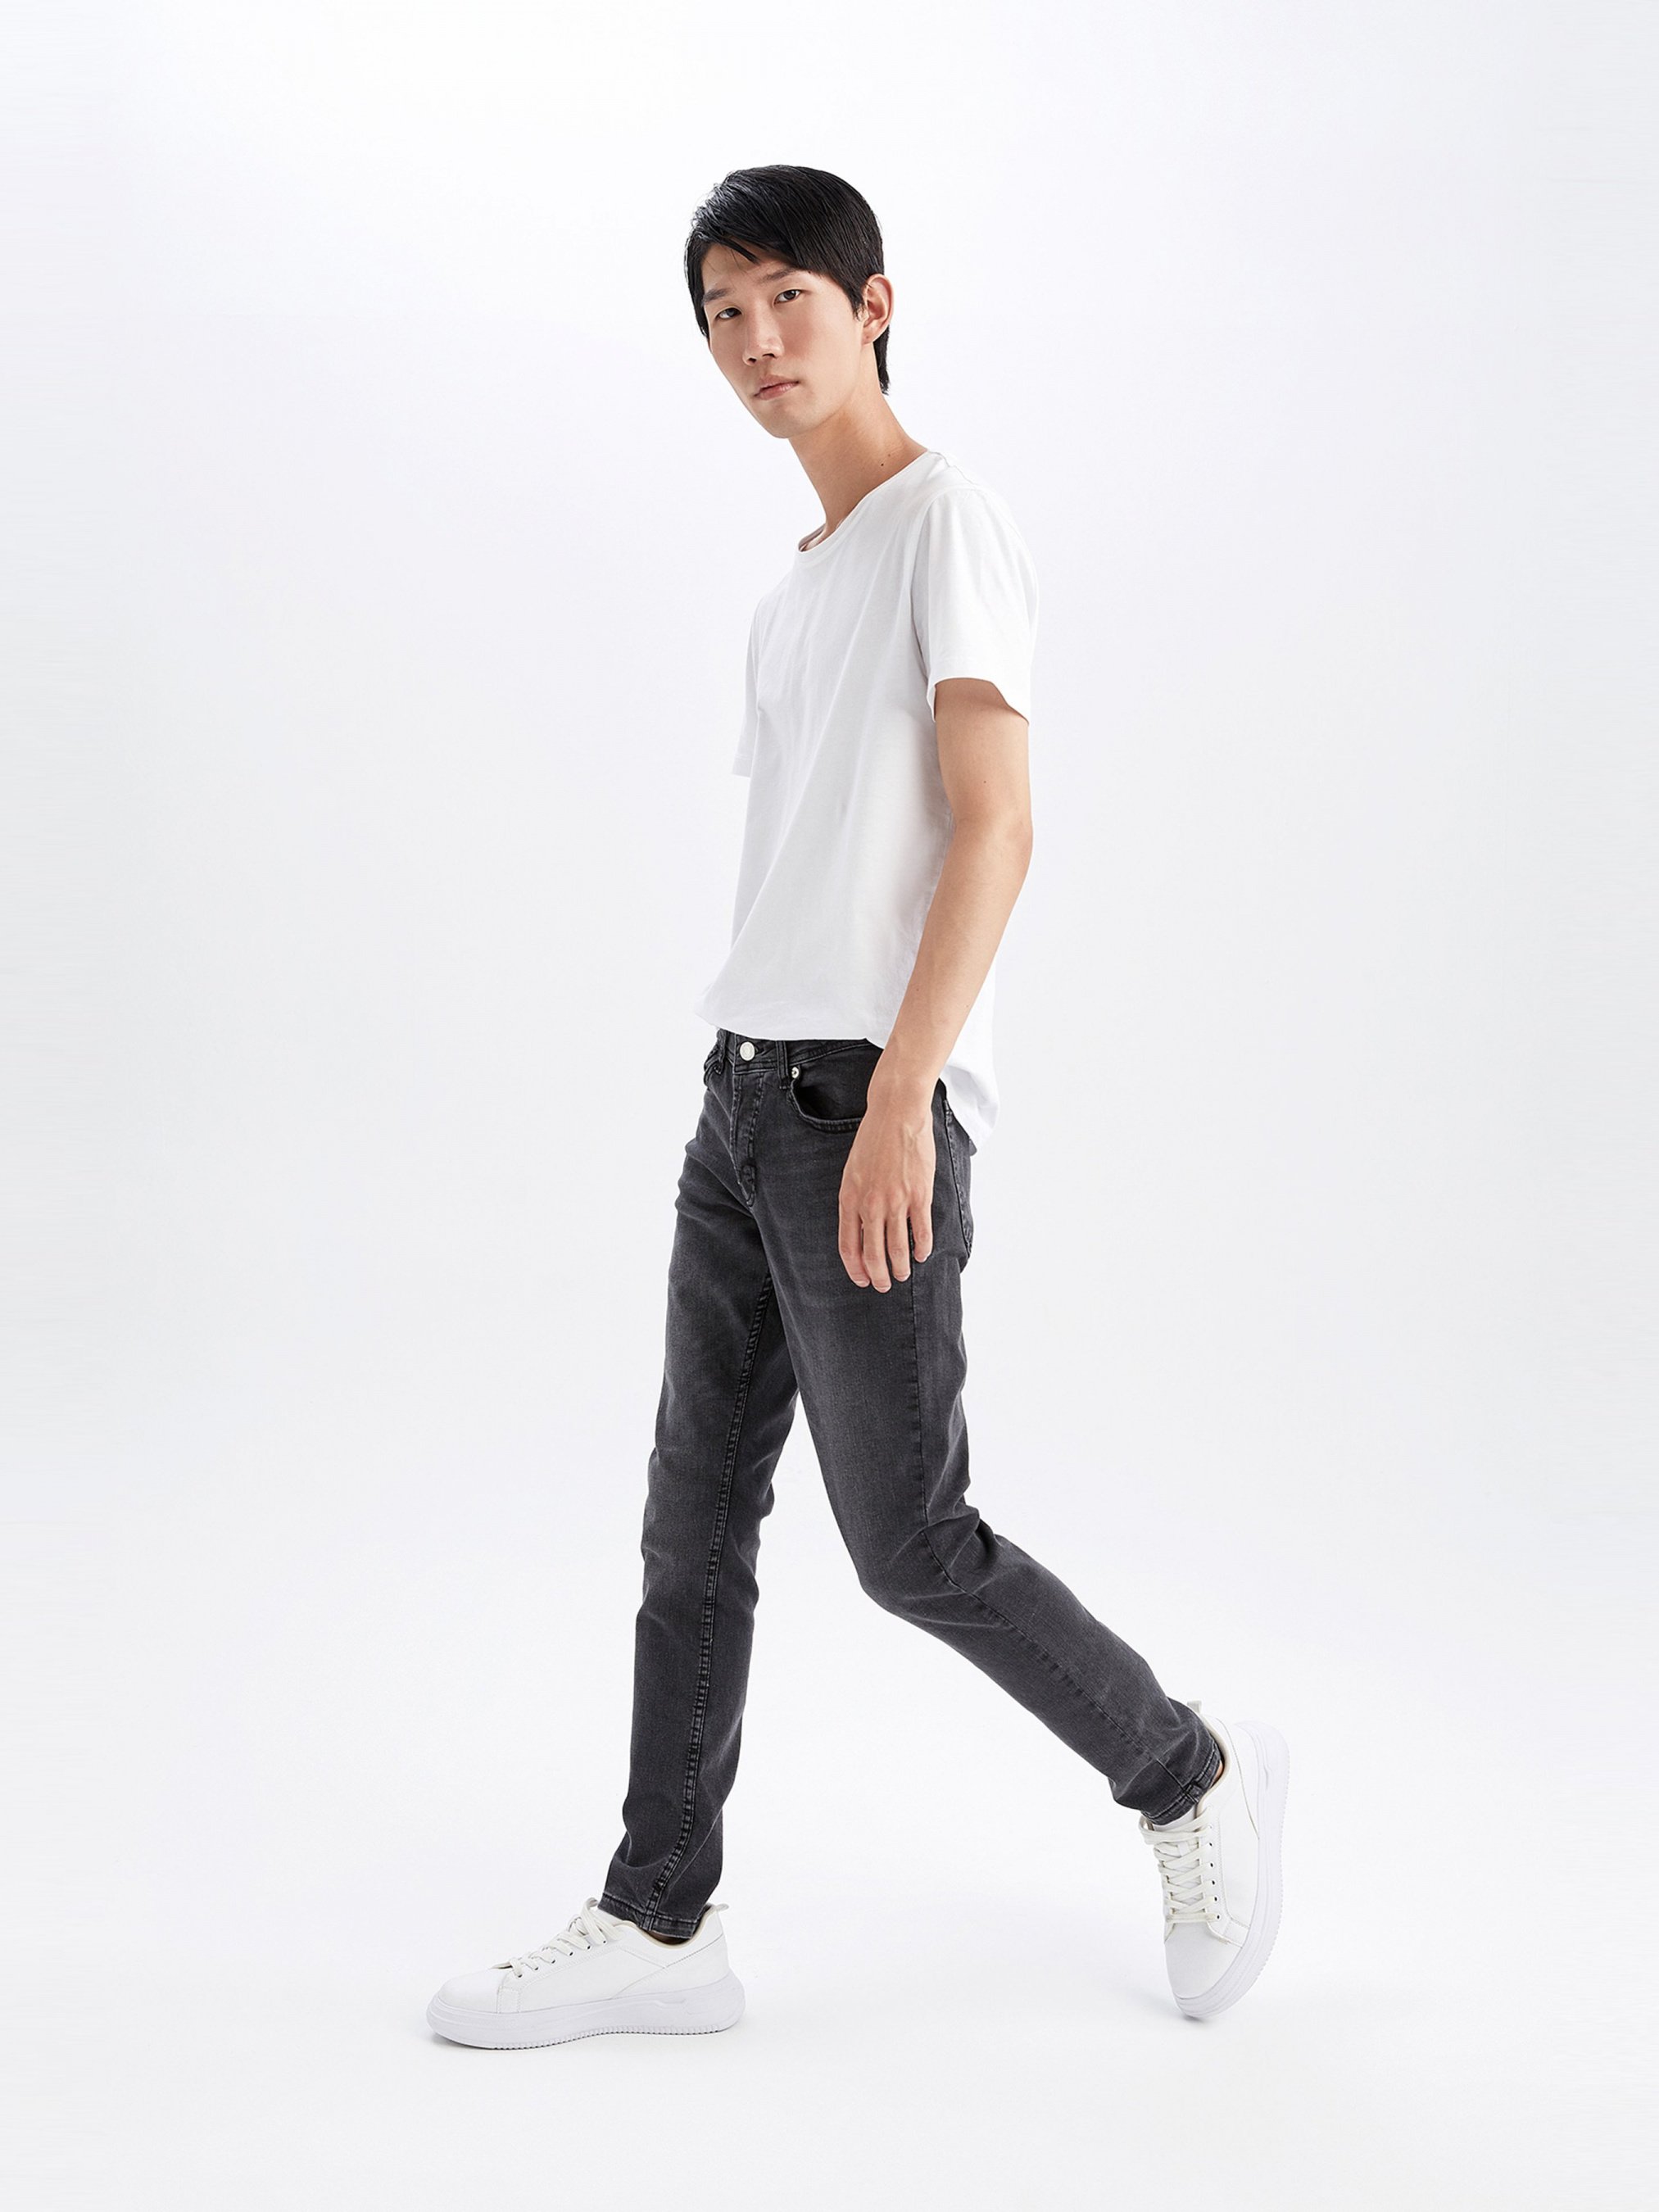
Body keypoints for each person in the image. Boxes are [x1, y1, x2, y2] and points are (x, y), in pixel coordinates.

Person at [426, 164, 1287, 2052]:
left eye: (784, 300)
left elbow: (998, 825)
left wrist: (904, 1089)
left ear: (872, 303)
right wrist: (767, 1099)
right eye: (720, 315)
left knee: (907, 1543)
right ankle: (662, 1921)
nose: (753, 341)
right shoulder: (791, 592)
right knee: (688, 1533)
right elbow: (817, 867)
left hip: (858, 1110)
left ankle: (1187, 1772)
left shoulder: (943, 522)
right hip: (740, 1104)